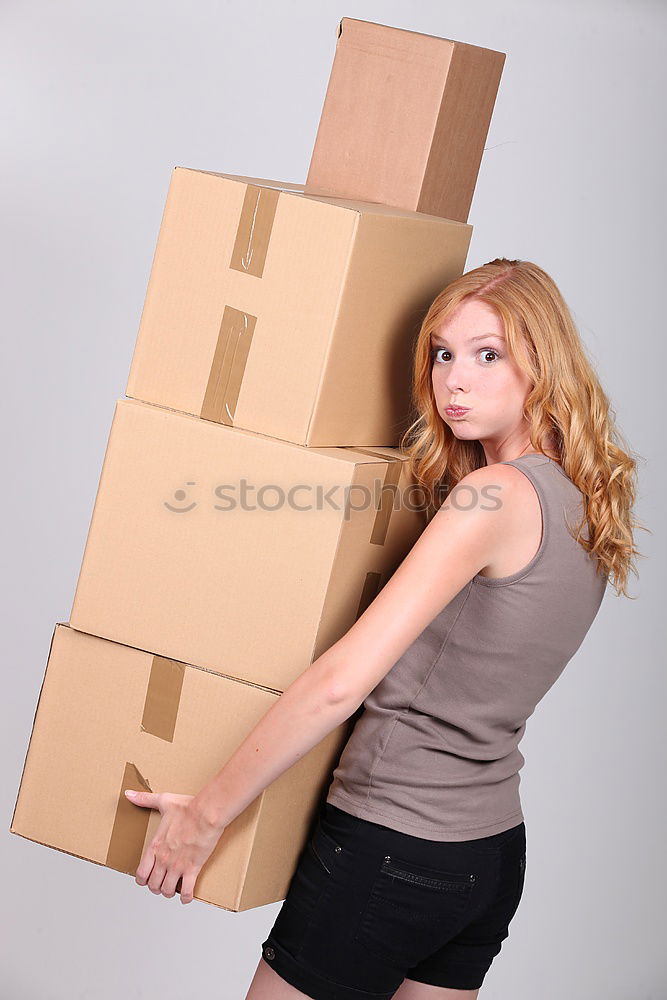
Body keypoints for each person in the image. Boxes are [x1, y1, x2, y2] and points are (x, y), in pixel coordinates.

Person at [125, 259, 644, 999]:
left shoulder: (491, 497)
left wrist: (205, 818)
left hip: (392, 848)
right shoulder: (584, 504)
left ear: (542, 362)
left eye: (487, 353)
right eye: (442, 353)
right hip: (488, 858)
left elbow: (341, 682)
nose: (454, 379)